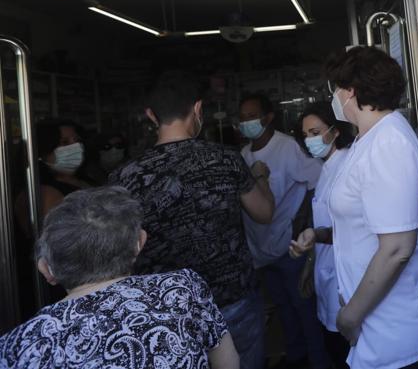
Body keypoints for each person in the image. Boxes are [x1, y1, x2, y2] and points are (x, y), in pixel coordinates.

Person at [109, 74, 275, 369]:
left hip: (163, 311)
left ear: (151, 115)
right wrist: (261, 175)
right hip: (232, 300)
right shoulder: (226, 159)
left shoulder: (125, 176)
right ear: (198, 109)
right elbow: (264, 213)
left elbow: (118, 250)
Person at [0, 186, 239, 369]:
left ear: (46, 269)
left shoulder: (16, 347)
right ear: (139, 244)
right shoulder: (181, 289)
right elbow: (228, 363)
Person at [323, 47, 418, 369]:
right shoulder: (371, 137)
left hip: (398, 325)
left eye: (335, 90)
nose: (334, 98)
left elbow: (396, 249)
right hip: (378, 324)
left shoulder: (389, 143)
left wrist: (350, 316)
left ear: (349, 91)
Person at [237, 93, 330, 369]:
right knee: (283, 308)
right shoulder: (243, 155)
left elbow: (316, 183)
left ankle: (318, 361)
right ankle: (296, 357)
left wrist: (303, 226)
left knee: (304, 308)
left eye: (251, 116)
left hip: (291, 246)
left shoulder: (287, 146)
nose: (246, 122)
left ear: (268, 118)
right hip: (261, 250)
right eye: (242, 118)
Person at [289, 102, 357, 369]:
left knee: (344, 352)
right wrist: (310, 264)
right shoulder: (325, 169)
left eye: (315, 132)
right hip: (327, 275)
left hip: (344, 281)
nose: (310, 140)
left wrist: (314, 237)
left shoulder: (347, 166)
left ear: (335, 131)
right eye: (305, 135)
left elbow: (348, 228)